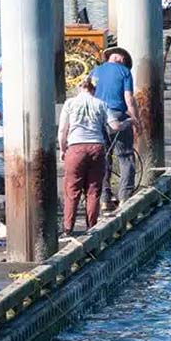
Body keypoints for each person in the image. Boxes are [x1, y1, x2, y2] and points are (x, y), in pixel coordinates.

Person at [58, 77, 118, 234]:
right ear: (94, 89)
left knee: (72, 189)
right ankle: (91, 227)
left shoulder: (70, 103)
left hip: (75, 147)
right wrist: (128, 122)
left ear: (79, 87)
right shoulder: (101, 104)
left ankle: (67, 228)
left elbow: (63, 130)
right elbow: (114, 127)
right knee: (93, 190)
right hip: (96, 147)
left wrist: (63, 149)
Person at [91, 48, 137, 210]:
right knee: (125, 156)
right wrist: (134, 118)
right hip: (118, 116)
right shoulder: (125, 72)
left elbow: (89, 93)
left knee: (104, 158)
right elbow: (128, 97)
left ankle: (104, 199)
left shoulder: (95, 71)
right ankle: (125, 196)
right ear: (122, 58)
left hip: (98, 117)